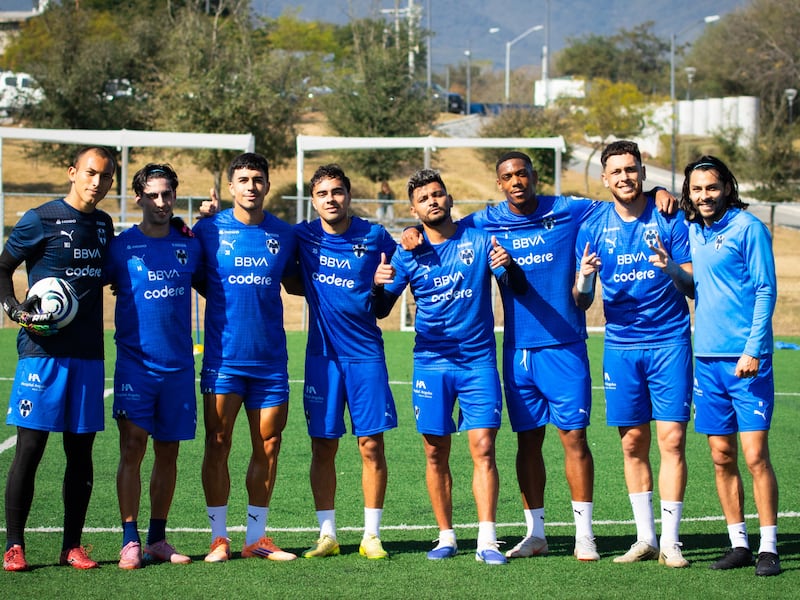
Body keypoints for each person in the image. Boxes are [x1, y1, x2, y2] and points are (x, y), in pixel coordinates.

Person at [399, 151, 674, 561]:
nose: (516, 181)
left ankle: (584, 535)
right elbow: (441, 227)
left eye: (522, 174)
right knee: (527, 442)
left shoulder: (569, 209)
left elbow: (620, 197)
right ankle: (536, 533)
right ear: (499, 184)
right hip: (515, 351)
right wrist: (409, 230)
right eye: (507, 176)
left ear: (533, 176)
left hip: (565, 346)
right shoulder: (484, 222)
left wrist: (657, 192)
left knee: (574, 438)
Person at [373, 168, 524, 565]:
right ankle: (446, 536)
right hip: (431, 364)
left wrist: (509, 266)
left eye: (438, 194)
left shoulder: (479, 240)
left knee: (484, 448)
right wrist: (378, 282)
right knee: (435, 452)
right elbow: (380, 309)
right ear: (413, 209)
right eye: (424, 199)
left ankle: (487, 539)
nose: (433, 202)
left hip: (477, 364)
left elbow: (516, 285)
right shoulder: (409, 251)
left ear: (450, 198)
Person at [574, 141, 693, 568]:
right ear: (605, 178)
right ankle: (645, 537)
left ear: (642, 171)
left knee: (673, 440)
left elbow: (693, 286)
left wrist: (672, 270)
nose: (624, 177)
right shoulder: (592, 226)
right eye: (616, 171)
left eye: (631, 169)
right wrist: (586, 279)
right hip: (621, 346)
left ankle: (672, 541)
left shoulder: (669, 215)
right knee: (632, 443)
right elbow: (582, 300)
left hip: (669, 342)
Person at [1, 146, 116, 571]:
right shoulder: (40, 219)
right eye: (90, 173)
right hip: (42, 354)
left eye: (105, 177)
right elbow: (2, 268)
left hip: (88, 354)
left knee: (80, 453)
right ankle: (14, 545)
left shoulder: (104, 225)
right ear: (72, 172)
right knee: (29, 448)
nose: (97, 183)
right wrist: (16, 312)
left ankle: (72, 546)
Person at [672, 156, 779, 576]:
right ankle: (739, 544)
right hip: (708, 358)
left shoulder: (748, 228)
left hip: (747, 361)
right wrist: (667, 265)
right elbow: (695, 288)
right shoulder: (695, 230)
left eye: (711, 188)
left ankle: (768, 546)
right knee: (720, 454)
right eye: (697, 189)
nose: (704, 196)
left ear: (727, 188)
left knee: (754, 456)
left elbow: (766, 289)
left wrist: (753, 349)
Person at [193, 152, 298, 563]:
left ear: (267, 185)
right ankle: (219, 538)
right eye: (243, 179)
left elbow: (298, 282)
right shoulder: (207, 231)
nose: (251, 186)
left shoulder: (286, 235)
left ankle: (256, 538)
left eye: (258, 179)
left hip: (270, 362)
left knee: (268, 445)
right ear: (232, 187)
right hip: (224, 360)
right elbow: (193, 272)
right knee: (217, 442)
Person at [293, 164, 398, 559]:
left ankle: (371, 535)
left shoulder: (374, 236)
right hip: (322, 357)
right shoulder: (302, 236)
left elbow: (386, 301)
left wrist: (381, 286)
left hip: (366, 355)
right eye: (322, 194)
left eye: (337, 191)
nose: (331, 199)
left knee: (371, 444)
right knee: (323, 446)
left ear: (349, 194)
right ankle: (328, 535)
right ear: (313, 200)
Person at [105, 164, 204, 569]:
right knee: (132, 448)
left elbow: (214, 284)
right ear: (139, 199)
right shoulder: (120, 247)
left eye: (168, 195)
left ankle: (157, 539)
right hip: (135, 366)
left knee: (169, 452)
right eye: (154, 196)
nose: (162, 203)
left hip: (179, 367)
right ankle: (130, 540)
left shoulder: (190, 244)